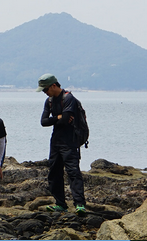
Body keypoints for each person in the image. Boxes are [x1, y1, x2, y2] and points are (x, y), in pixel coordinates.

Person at [37, 73, 87, 216]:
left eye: (45, 89)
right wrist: (58, 117)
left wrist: (57, 118)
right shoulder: (49, 101)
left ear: (54, 85)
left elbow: (65, 120)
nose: (44, 93)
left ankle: (79, 204)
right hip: (56, 141)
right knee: (54, 173)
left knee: (73, 172)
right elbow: (43, 122)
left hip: (70, 140)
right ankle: (60, 204)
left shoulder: (68, 98)